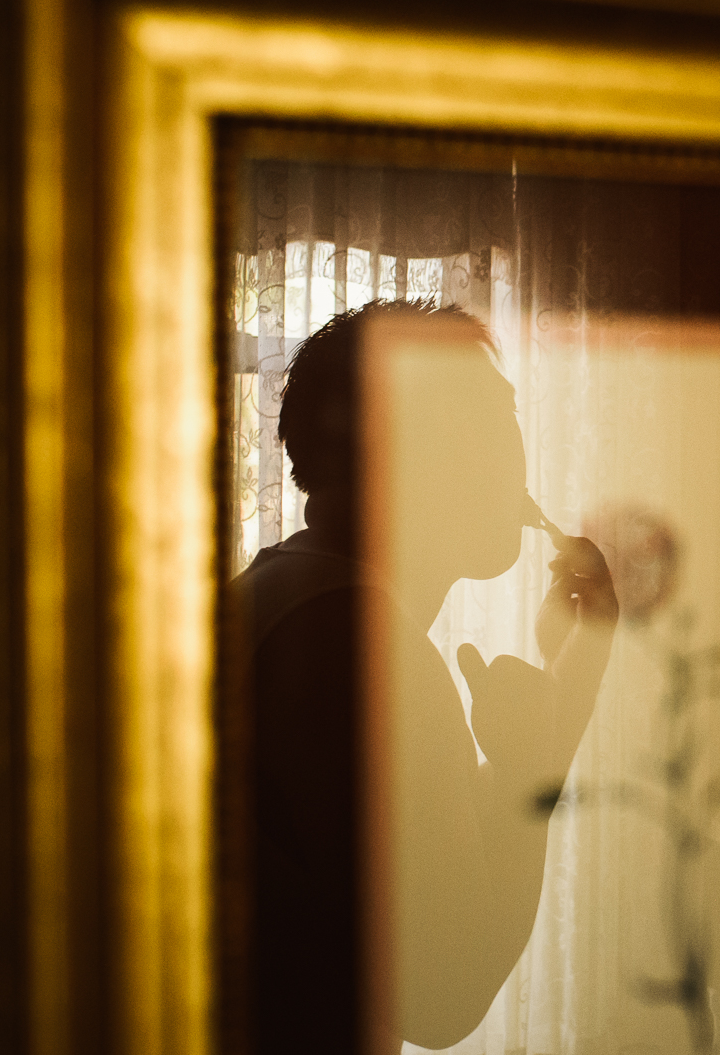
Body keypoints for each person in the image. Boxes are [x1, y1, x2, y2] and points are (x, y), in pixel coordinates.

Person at [235, 300, 617, 1051]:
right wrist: (531, 762)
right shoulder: (351, 641)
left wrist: (567, 689)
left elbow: (438, 876)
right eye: (483, 421)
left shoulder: (296, 594)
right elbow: (445, 996)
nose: (513, 455)